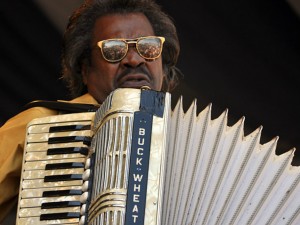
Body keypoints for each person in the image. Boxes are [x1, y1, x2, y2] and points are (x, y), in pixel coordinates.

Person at [0, 0, 182, 222]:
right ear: (85, 69)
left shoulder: (187, 138)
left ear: (162, 64)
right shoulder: (39, 125)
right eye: (113, 50)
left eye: (148, 47)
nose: (134, 59)